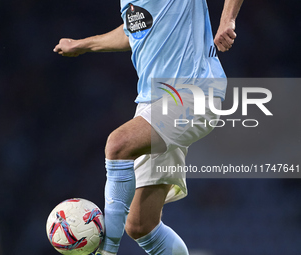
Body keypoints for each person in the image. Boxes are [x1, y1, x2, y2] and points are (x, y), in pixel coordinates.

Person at [53, 0, 243, 254]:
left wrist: (227, 19)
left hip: (195, 91)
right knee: (141, 225)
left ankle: (107, 251)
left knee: (118, 144)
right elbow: (134, 30)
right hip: (154, 102)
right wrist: (82, 44)